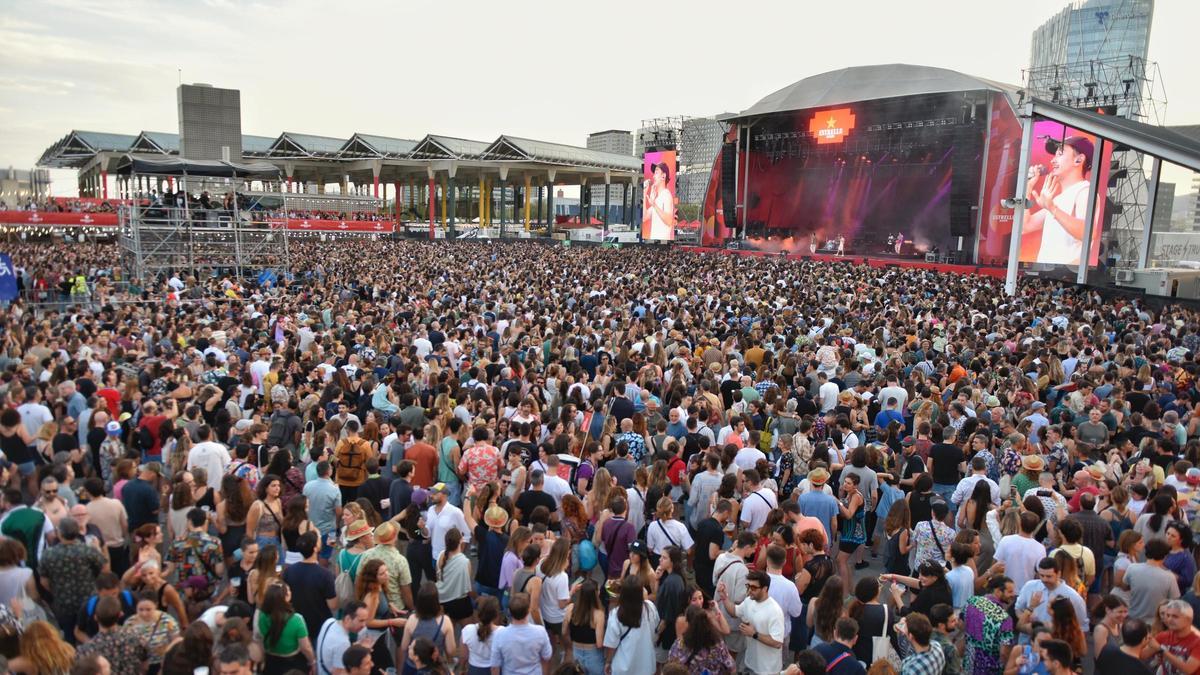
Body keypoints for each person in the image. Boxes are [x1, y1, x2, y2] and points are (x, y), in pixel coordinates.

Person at [1024, 136, 1095, 266]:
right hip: (1046, 271)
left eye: (1060, 154)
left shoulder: (1085, 191)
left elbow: (1087, 233)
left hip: (1066, 273)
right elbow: (1025, 227)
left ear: (1078, 160)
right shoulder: (1058, 199)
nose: (1052, 160)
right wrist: (1027, 188)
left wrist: (1052, 209)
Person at [38, 516, 108, 640]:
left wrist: (56, 591)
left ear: (60, 533)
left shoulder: (48, 554)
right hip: (88, 601)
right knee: (91, 634)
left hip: (63, 603)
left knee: (69, 636)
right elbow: (104, 569)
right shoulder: (88, 551)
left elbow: (44, 581)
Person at [719, 569, 785, 675]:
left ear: (765, 589)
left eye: (753, 588)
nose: (749, 591)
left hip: (767, 670)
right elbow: (734, 612)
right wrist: (724, 597)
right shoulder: (749, 601)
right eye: (748, 586)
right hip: (749, 663)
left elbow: (777, 643)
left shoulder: (775, 611)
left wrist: (754, 634)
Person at [75, 597, 150, 675]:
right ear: (120, 614)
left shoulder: (85, 651)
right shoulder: (137, 637)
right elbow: (145, 666)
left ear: (96, 617)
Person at [604, 575, 659, 675]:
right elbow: (655, 629)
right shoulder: (650, 608)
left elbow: (612, 645)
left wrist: (608, 661)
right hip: (647, 665)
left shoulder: (616, 614)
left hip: (623, 667)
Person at [398, 582, 457, 675]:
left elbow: (404, 646)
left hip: (412, 667)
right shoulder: (445, 621)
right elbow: (451, 651)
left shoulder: (412, 619)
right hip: (434, 669)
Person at [962, 575, 1016, 675]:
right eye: (1010, 591)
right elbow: (1004, 653)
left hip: (968, 664)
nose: (1013, 594)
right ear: (998, 591)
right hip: (990, 669)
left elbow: (961, 625)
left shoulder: (971, 602)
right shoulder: (1004, 618)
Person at [257, 582, 314, 675]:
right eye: (289, 591)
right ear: (285, 597)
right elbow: (305, 647)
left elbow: (261, 637)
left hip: (270, 661)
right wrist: (312, 661)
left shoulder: (262, 615)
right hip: (292, 662)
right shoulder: (296, 619)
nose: (291, 592)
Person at [490, 592, 552, 675]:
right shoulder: (540, 631)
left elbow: (495, 666)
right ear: (528, 610)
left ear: (509, 611)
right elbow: (547, 657)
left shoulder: (500, 634)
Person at [666, 604, 736, 674]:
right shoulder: (717, 643)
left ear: (688, 623)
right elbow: (731, 667)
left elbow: (671, 665)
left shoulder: (680, 645)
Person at [1124, 538, 1181, 622]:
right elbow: (1175, 600)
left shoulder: (1132, 568)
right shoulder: (1169, 577)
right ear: (1165, 556)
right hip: (1156, 622)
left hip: (1133, 618)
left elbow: (1125, 585)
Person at [123, 590, 181, 672]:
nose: (144, 613)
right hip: (138, 666)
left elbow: (176, 642)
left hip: (161, 665)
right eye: (140, 609)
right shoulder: (129, 623)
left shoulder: (168, 621)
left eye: (148, 609)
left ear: (156, 605)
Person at [314, 600, 370, 675]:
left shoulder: (330, 621)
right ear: (348, 619)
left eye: (365, 620)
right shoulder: (343, 643)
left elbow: (333, 649)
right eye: (361, 621)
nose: (364, 625)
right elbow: (338, 672)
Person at [1150, 600, 1200, 675]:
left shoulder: (1197, 641)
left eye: (1175, 616)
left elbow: (1188, 670)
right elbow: (1141, 655)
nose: (1169, 619)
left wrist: (1161, 651)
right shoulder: (1162, 636)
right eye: (1168, 615)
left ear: (1188, 619)